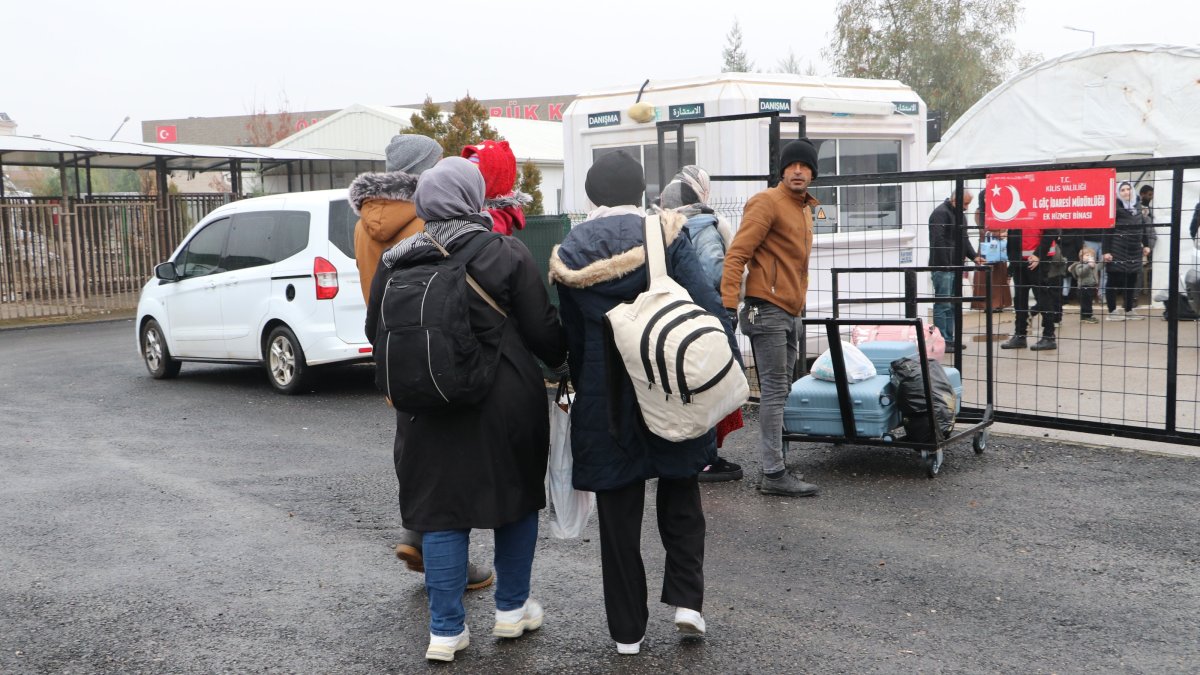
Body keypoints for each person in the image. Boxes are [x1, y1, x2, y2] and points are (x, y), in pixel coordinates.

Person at [365, 157, 567, 663]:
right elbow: (544, 332)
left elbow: (376, 332)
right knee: (517, 500)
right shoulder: (503, 252)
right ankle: (510, 611)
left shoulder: (395, 262)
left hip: (423, 406)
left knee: (440, 516)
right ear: (473, 199)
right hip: (504, 403)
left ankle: (445, 630)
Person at [548, 151, 735, 655]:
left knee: (618, 514)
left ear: (591, 195)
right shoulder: (665, 234)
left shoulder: (568, 252)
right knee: (680, 490)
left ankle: (627, 632)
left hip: (603, 395)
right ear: (641, 191)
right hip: (668, 380)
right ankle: (687, 603)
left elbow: (571, 339)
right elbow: (706, 305)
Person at [348, 134, 495, 592]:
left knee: (412, 444)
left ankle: (415, 532)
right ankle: (443, 557)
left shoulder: (363, 222)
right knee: (449, 457)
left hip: (393, 345)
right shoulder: (426, 222)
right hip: (436, 347)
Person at [719, 139, 822, 498]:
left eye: (805, 166)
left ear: (812, 173)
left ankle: (774, 462)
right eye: (791, 165)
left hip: (790, 310)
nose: (798, 170)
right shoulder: (767, 202)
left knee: (783, 389)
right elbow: (736, 255)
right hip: (766, 309)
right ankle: (773, 472)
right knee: (776, 391)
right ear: (782, 170)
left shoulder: (805, 208)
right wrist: (729, 304)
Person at [659, 165, 744, 483]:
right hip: (705, 319)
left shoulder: (662, 227)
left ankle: (692, 455)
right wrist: (726, 307)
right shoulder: (704, 225)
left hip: (673, 321)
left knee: (683, 389)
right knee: (706, 387)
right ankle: (705, 460)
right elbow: (713, 272)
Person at [928, 190, 982, 353]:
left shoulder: (959, 215)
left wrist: (974, 257)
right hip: (944, 266)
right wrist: (946, 264)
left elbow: (964, 238)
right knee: (943, 303)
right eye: (965, 203)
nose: (966, 208)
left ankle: (949, 339)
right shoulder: (940, 213)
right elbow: (938, 240)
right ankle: (942, 340)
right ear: (955, 200)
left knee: (952, 305)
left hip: (956, 266)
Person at [1001, 220, 1061, 352]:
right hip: (1019, 259)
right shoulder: (1017, 207)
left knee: (1043, 297)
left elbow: (1052, 231)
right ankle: (1020, 335)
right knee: (1020, 299)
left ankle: (1049, 336)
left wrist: (1038, 255)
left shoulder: (1041, 205)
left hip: (1037, 259)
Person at [1103, 181, 1153, 321]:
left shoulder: (1137, 205)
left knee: (1131, 279)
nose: (1126, 192)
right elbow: (1107, 230)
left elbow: (1142, 227)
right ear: (1118, 193)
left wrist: (1146, 245)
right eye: (1123, 190)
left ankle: (1129, 310)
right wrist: (1106, 251)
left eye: (1128, 189)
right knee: (1113, 279)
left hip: (1134, 248)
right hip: (1117, 247)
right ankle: (1112, 312)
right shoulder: (1114, 208)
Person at [461, 139, 532, 236]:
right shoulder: (474, 207)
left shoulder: (495, 218)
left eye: (472, 176)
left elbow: (485, 244)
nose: (465, 181)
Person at [970, 189, 1012, 312]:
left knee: (999, 275)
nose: (986, 199)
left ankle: (999, 303)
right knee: (984, 276)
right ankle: (985, 304)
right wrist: (997, 233)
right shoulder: (979, 213)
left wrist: (1003, 233)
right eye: (984, 197)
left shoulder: (1000, 211)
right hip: (985, 247)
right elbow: (982, 229)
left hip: (999, 248)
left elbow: (1006, 226)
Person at [1069, 245, 1102, 323]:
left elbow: (1099, 267)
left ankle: (1087, 316)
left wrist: (1104, 260)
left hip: (1091, 286)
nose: (1090, 257)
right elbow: (1080, 273)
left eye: (1091, 256)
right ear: (1081, 257)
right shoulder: (1079, 265)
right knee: (1085, 303)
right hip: (1083, 287)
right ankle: (1086, 316)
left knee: (1089, 302)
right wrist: (1088, 266)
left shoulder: (1093, 266)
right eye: (1087, 255)